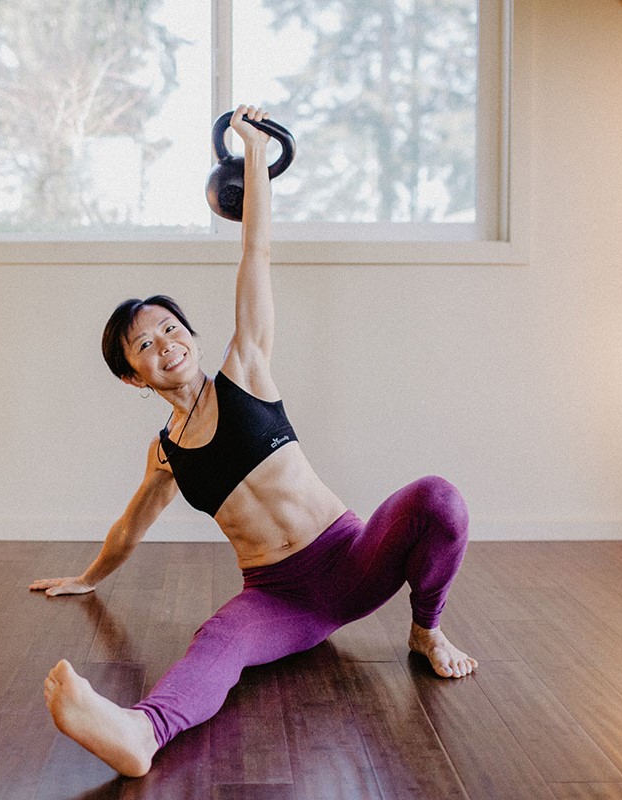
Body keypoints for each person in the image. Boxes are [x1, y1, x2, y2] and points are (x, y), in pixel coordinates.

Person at [31, 104, 476, 778]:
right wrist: (84, 578)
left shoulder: (247, 370)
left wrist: (254, 154)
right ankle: (140, 733)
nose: (166, 344)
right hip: (279, 598)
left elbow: (256, 248)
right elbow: (130, 527)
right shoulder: (166, 453)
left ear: (194, 335)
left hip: (351, 558)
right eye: (145, 344)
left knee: (437, 500)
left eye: (172, 329)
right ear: (132, 376)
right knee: (216, 638)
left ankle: (426, 630)